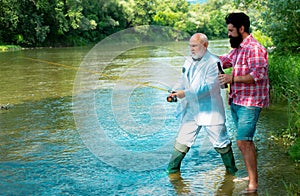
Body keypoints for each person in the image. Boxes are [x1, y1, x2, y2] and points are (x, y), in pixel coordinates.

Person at [166, 33, 238, 176]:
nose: (191, 49)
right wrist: (175, 90)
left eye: (194, 46)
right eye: (190, 46)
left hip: (210, 110)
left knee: (221, 142)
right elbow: (183, 79)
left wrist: (184, 93)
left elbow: (209, 87)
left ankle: (232, 172)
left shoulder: (213, 62)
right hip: (192, 109)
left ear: (205, 45)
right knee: (183, 140)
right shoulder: (188, 61)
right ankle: (172, 171)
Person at [218, 12, 269, 193]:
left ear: (241, 29)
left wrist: (232, 78)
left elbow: (258, 75)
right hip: (237, 100)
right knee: (246, 141)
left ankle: (253, 185)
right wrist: (205, 54)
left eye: (231, 30)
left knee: (242, 142)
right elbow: (225, 60)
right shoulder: (239, 48)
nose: (229, 34)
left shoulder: (254, 48)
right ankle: (251, 175)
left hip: (250, 102)